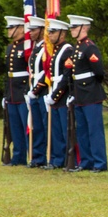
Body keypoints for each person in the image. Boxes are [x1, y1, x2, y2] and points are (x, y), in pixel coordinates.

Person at [66, 15, 108, 173]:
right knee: (82, 130)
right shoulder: (77, 47)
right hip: (79, 93)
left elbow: (99, 72)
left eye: (75, 27)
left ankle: (99, 162)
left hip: (90, 93)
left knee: (94, 130)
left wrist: (89, 85)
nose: (72, 30)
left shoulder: (90, 47)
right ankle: (86, 161)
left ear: (84, 28)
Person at [42, 19, 73, 169]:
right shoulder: (55, 50)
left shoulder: (67, 50)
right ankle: (56, 159)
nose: (50, 35)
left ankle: (67, 159)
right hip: (54, 91)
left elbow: (66, 76)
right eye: (49, 32)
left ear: (62, 34)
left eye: (53, 32)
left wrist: (55, 96)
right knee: (55, 130)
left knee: (64, 129)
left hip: (62, 95)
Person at [3, 16, 28, 166]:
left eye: (12, 28)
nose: (9, 31)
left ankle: (31, 156)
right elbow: (8, 73)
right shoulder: (10, 48)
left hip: (23, 91)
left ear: (20, 29)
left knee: (26, 126)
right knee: (15, 127)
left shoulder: (27, 47)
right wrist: (6, 94)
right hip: (12, 92)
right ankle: (18, 156)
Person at [25, 17, 48, 167]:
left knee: (45, 127)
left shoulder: (47, 48)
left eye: (33, 30)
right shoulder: (37, 48)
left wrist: (36, 89)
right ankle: (38, 157)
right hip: (34, 91)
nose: (30, 33)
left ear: (41, 30)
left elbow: (46, 71)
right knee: (37, 127)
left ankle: (49, 157)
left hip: (43, 91)